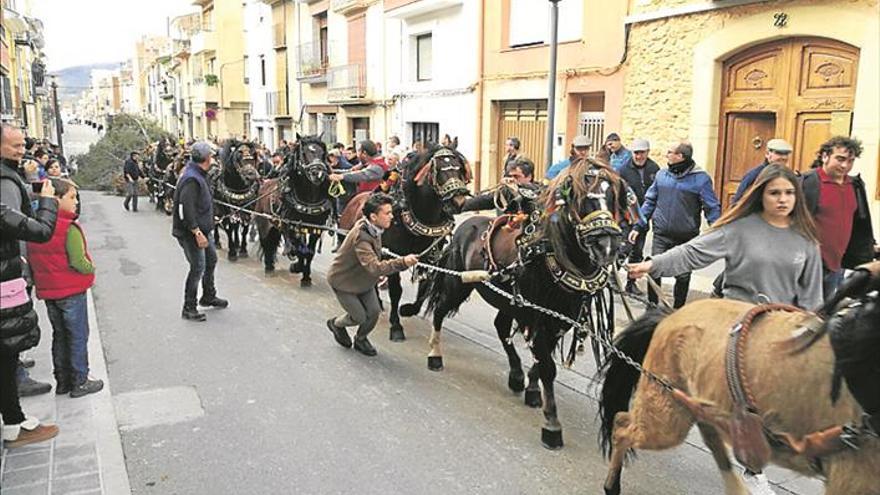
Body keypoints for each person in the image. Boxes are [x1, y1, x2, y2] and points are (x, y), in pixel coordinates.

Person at [628, 164, 823, 308]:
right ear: (761, 194)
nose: (783, 199)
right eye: (774, 193)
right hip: (735, 319)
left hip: (781, 328)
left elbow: (812, 299)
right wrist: (652, 265)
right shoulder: (738, 229)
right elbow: (691, 253)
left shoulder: (806, 239)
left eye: (789, 193)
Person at [0, 123, 60, 448]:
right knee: (7, 356)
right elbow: (37, 231)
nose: (21, 150)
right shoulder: (6, 183)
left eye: (23, 145)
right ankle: (14, 424)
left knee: (6, 357)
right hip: (6, 281)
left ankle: (14, 421)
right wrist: (48, 201)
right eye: (14, 145)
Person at [26, 179, 103, 397]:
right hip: (71, 291)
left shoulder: (36, 227)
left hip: (50, 291)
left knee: (59, 335)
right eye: (71, 197)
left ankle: (62, 380)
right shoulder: (68, 228)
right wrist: (91, 267)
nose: (76, 202)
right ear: (55, 199)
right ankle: (80, 379)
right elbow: (78, 261)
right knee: (77, 335)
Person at [629, 141, 721, 308]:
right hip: (661, 234)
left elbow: (712, 207)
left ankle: (678, 309)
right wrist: (637, 226)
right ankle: (652, 307)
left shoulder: (701, 179)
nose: (666, 155)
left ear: (680, 156)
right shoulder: (662, 175)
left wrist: (718, 231)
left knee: (683, 276)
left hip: (686, 237)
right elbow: (649, 202)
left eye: (670, 152)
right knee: (653, 270)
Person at [325, 193, 419, 356]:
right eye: (387, 213)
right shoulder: (361, 237)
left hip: (365, 280)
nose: (392, 216)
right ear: (374, 217)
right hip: (344, 282)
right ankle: (336, 324)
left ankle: (360, 339)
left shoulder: (374, 227)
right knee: (360, 317)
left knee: (374, 312)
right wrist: (403, 262)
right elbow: (375, 267)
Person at [801, 136, 877, 300]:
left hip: (838, 264)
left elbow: (860, 223)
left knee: (825, 314)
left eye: (850, 161)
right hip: (809, 264)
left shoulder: (855, 186)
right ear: (825, 156)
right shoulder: (808, 182)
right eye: (840, 159)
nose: (845, 165)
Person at [171, 142, 229, 322]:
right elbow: (185, 209)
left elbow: (202, 204)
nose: (212, 159)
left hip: (204, 230)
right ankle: (189, 308)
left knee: (211, 260)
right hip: (192, 234)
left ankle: (208, 296)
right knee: (197, 268)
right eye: (211, 156)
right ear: (206, 159)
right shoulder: (191, 179)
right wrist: (196, 232)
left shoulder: (198, 175)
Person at [617, 138, 660, 294]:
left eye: (641, 153)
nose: (638, 156)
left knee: (637, 252)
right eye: (636, 153)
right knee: (623, 249)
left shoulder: (654, 169)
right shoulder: (623, 170)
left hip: (643, 219)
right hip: (627, 218)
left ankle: (631, 283)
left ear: (647, 153)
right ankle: (612, 278)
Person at [463, 156, 541, 214]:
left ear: (529, 176)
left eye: (516, 176)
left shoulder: (540, 190)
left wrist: (518, 188)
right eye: (511, 176)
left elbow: (534, 192)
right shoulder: (507, 192)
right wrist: (462, 205)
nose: (512, 179)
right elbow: (486, 200)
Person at [732, 138, 793, 204]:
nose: (783, 157)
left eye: (786, 154)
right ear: (767, 154)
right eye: (779, 153)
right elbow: (738, 201)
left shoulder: (788, 176)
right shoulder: (755, 175)